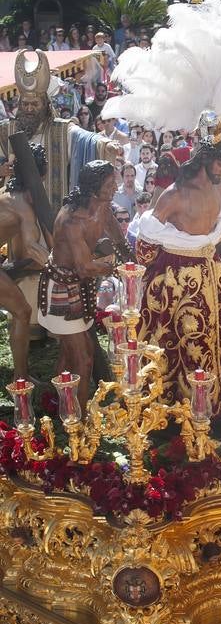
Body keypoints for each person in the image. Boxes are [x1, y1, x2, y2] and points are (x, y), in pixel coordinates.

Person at [136, 140, 221, 413]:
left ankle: (210, 399)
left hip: (205, 272)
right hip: (184, 276)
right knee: (181, 339)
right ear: (204, 160)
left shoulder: (220, 185)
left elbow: (145, 248)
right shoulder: (174, 195)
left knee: (211, 335)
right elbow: (146, 240)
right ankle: (180, 402)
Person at [38, 161, 133, 409]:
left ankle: (57, 401)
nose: (116, 187)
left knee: (71, 353)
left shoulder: (103, 208)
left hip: (81, 286)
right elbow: (84, 268)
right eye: (110, 184)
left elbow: (118, 239)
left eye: (115, 182)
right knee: (84, 358)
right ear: (93, 188)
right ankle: (77, 421)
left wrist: (132, 261)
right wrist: (115, 268)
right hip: (61, 289)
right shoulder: (71, 220)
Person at [0, 50, 120, 212]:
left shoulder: (61, 129)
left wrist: (106, 144)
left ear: (46, 105)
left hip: (51, 209)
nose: (29, 109)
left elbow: (85, 138)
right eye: (25, 104)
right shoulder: (6, 129)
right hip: (14, 211)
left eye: (34, 104)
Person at [0, 144, 50, 379]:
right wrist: (59, 267)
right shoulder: (22, 205)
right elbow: (32, 249)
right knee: (22, 311)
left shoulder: (5, 193)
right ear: (42, 176)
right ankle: (20, 378)